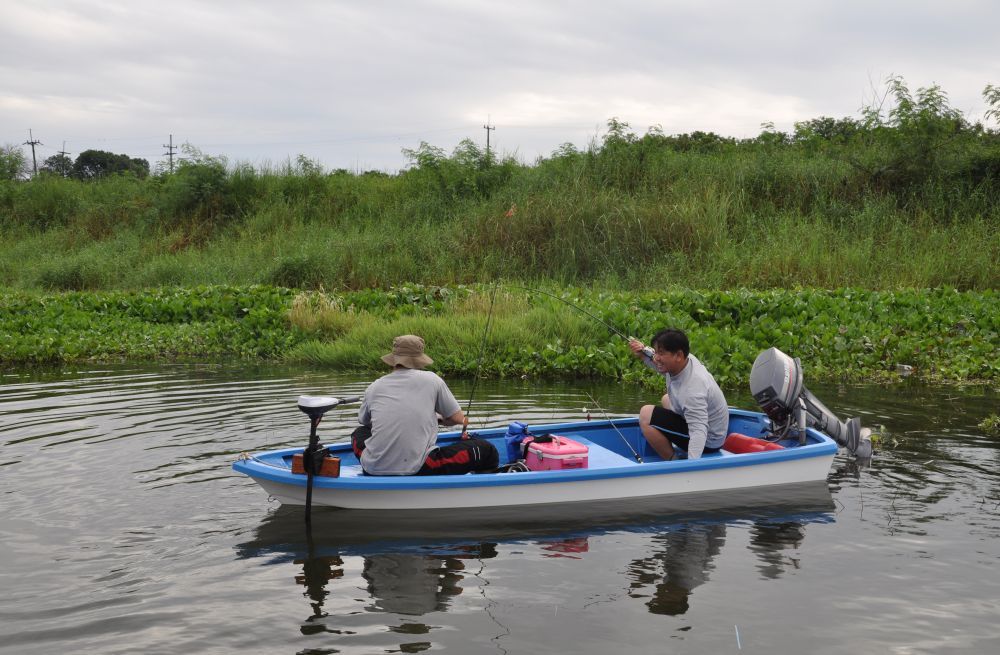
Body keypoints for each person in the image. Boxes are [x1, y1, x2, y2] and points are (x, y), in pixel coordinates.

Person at [351, 334, 499, 475]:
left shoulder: (374, 387)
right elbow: (458, 419)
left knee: (359, 432)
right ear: (419, 360)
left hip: (372, 467)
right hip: (421, 467)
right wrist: (440, 419)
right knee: (487, 450)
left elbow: (365, 422)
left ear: (394, 359)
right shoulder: (432, 380)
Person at [628, 328, 728, 460]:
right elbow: (657, 361)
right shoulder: (686, 360)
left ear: (679, 355)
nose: (656, 357)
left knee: (646, 414)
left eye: (661, 353)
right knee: (666, 399)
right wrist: (643, 353)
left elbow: (698, 431)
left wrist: (690, 467)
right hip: (707, 425)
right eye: (656, 351)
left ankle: (673, 460)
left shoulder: (694, 389)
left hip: (708, 441)